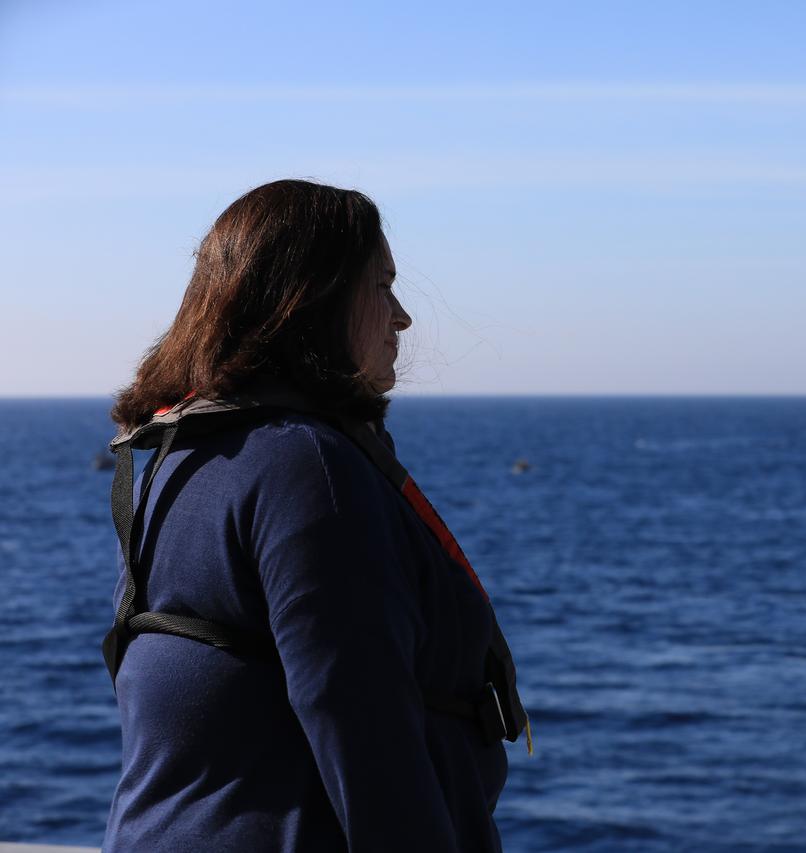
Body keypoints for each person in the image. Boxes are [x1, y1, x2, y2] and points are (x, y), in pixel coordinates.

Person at [101, 180, 524, 852]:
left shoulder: (176, 459)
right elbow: (364, 730)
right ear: (314, 298)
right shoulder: (308, 468)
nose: (403, 316)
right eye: (382, 285)